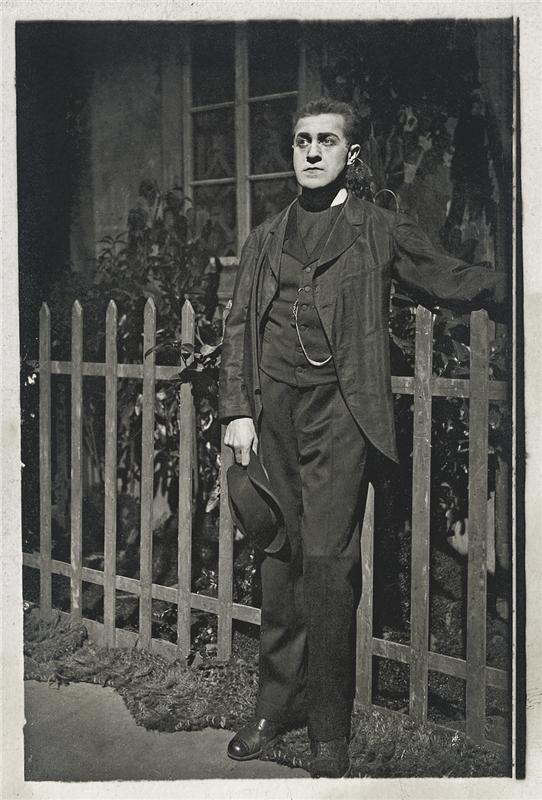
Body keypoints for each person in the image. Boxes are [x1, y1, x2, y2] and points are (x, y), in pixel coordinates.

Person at [218, 97, 505, 779]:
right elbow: (238, 327)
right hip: (272, 411)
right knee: (277, 556)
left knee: (326, 560)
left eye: (326, 141)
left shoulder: (377, 227)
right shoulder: (266, 236)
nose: (312, 152)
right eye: (302, 142)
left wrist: (515, 284)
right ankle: (276, 705)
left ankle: (328, 725)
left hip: (340, 411)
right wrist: (238, 410)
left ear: (351, 155)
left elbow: (445, 274)